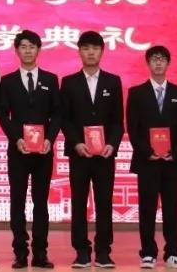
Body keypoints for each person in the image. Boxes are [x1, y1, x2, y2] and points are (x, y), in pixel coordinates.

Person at [59, 31, 123, 269]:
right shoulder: (69, 82)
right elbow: (65, 119)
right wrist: (76, 142)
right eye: (86, 48)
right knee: (78, 203)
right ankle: (82, 251)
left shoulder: (113, 81)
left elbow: (117, 121)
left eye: (95, 48)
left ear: (102, 52)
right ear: (79, 52)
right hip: (80, 154)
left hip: (105, 155)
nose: (91, 52)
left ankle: (104, 251)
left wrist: (112, 144)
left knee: (105, 203)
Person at [0, 30, 60, 269]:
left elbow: (58, 113)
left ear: (38, 50)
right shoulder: (8, 81)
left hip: (43, 152)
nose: (27, 51)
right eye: (23, 46)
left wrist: (50, 139)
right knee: (18, 202)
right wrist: (16, 139)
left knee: (41, 202)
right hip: (19, 151)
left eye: (32, 46)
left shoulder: (50, 80)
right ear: (16, 50)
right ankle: (20, 252)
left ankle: (40, 252)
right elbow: (3, 114)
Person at [126, 45, 177, 269]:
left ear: (168, 63)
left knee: (172, 209)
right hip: (147, 162)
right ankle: (148, 253)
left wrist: (176, 152)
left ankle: (173, 252)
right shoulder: (136, 93)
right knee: (147, 209)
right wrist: (147, 151)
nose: (158, 63)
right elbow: (133, 129)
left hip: (172, 162)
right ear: (148, 63)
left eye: (162, 59)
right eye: (154, 59)